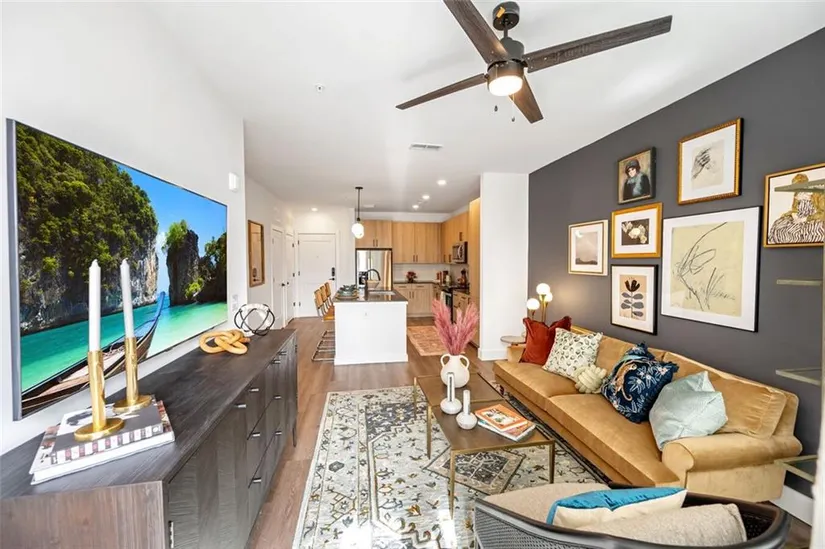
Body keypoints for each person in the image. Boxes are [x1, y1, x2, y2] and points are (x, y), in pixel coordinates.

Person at [768, 173, 825, 245]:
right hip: (798, 217)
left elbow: (822, 213)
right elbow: (794, 209)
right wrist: (795, 216)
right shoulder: (797, 195)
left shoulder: (818, 194)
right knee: (779, 225)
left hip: (813, 218)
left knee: (815, 229)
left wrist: (805, 219)